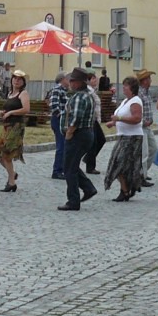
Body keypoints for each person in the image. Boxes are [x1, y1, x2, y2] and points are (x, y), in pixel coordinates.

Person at [58, 68, 98, 211]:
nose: (70, 83)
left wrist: (69, 133)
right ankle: (88, 188)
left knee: (69, 168)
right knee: (71, 165)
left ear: (79, 82)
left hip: (78, 135)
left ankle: (73, 201)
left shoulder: (80, 97)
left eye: (72, 81)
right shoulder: (86, 95)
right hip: (85, 134)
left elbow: (75, 118)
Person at [104, 77, 144, 202]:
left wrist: (119, 119)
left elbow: (137, 119)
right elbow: (122, 117)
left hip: (132, 138)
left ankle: (126, 190)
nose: (123, 88)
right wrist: (113, 123)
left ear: (132, 88)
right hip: (123, 136)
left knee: (120, 164)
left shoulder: (135, 101)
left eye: (125, 86)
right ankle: (126, 189)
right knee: (119, 164)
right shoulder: (126, 101)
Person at [0, 69, 30, 192]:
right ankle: (12, 174)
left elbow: (26, 109)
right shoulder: (9, 93)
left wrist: (11, 112)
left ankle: (11, 182)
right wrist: (3, 112)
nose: (16, 81)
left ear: (23, 82)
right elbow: (8, 108)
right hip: (7, 126)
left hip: (16, 127)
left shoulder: (23, 93)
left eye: (19, 79)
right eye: (15, 78)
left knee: (6, 154)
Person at [135, 69, 157, 188]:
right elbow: (136, 110)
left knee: (153, 149)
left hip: (148, 127)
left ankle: (143, 172)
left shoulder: (147, 92)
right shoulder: (139, 93)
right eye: (149, 78)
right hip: (141, 126)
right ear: (144, 81)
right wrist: (144, 121)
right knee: (143, 153)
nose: (150, 81)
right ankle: (140, 177)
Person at [82, 71, 106, 175]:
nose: (95, 80)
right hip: (91, 119)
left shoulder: (94, 91)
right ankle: (90, 166)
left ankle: (88, 159)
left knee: (101, 140)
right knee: (95, 142)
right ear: (87, 81)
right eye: (92, 78)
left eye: (95, 78)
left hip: (95, 120)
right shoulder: (89, 92)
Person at [48, 71, 69, 180]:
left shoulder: (65, 90)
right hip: (58, 120)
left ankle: (62, 169)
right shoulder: (57, 89)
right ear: (62, 79)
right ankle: (57, 171)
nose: (69, 80)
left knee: (64, 145)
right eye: (67, 78)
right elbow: (54, 105)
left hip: (64, 121)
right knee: (61, 146)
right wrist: (61, 116)